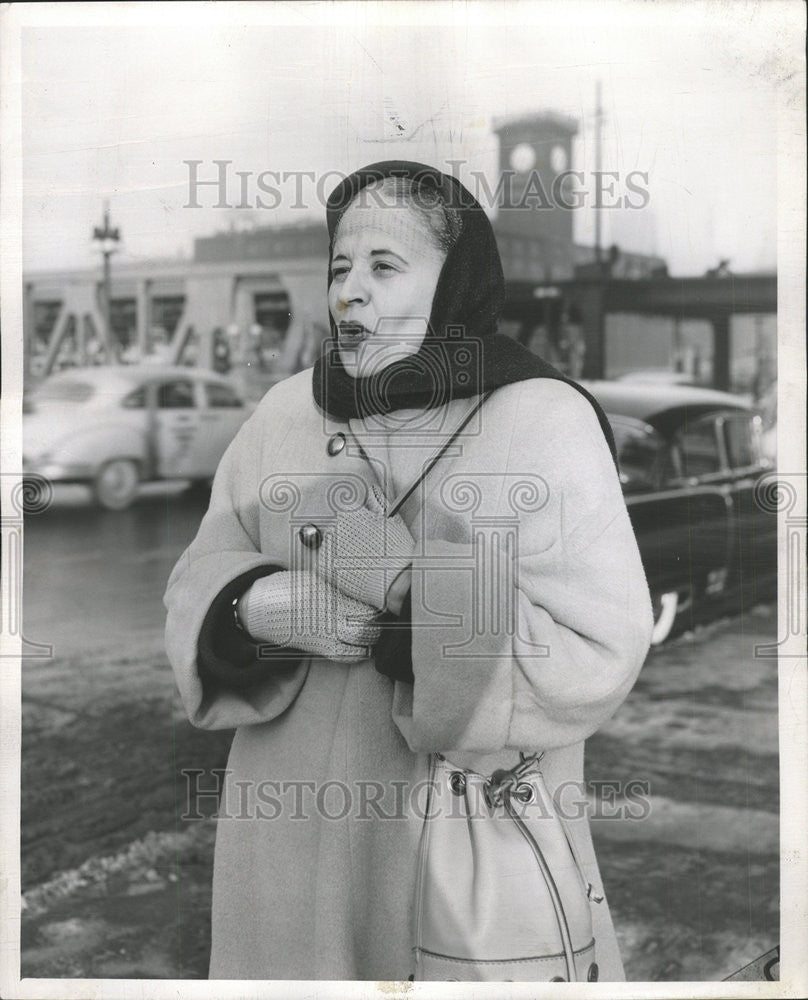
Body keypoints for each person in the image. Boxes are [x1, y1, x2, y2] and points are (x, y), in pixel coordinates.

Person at [164, 161, 653, 981]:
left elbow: (597, 648)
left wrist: (405, 589)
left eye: (385, 266)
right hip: (279, 855)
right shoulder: (285, 411)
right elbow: (195, 574)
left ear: (455, 281)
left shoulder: (542, 419)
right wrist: (252, 606)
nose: (350, 291)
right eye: (340, 268)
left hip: (454, 858)